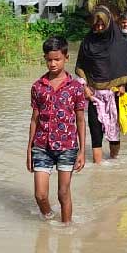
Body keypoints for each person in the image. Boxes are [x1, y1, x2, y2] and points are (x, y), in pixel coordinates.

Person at [27, 37, 86, 224]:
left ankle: (66, 229)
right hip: (41, 146)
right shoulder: (38, 87)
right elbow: (34, 118)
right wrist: (29, 149)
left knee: (63, 193)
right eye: (49, 59)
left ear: (66, 58)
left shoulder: (75, 87)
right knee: (40, 195)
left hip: (67, 146)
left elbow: (80, 119)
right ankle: (50, 219)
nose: (53, 64)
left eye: (57, 59)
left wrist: (82, 151)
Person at [76, 6, 127, 164]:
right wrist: (85, 87)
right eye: (96, 25)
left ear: (109, 23)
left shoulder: (119, 43)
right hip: (93, 95)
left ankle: (114, 164)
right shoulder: (87, 43)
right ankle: (99, 170)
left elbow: (126, 66)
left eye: (102, 24)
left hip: (115, 95)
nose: (99, 28)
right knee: (96, 134)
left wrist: (123, 85)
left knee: (114, 136)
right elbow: (81, 67)